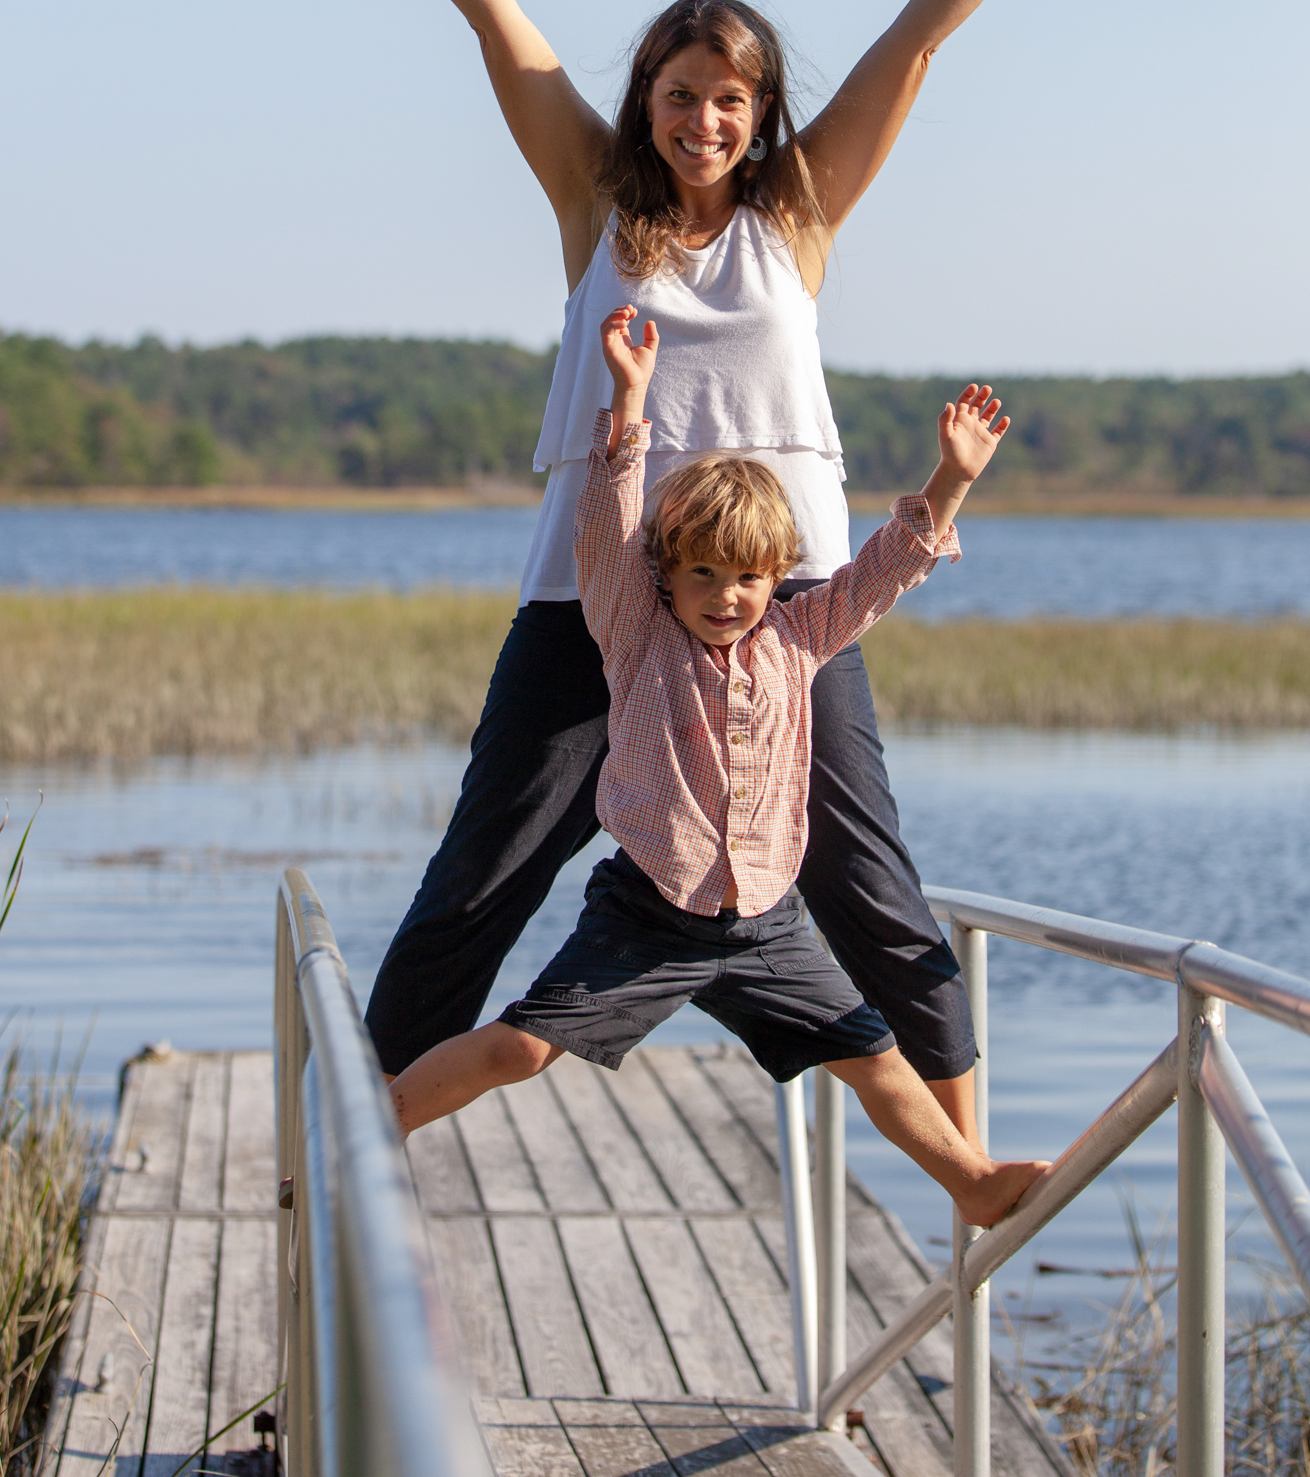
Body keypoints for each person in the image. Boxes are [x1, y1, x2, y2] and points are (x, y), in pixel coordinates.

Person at [338, 0, 1087, 1136]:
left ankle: (972, 1164)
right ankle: (346, 1153)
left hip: (781, 599)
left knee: (865, 872)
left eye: (729, 99)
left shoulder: (792, 217)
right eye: (680, 95)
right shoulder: (595, 208)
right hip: (599, 596)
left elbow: (915, 38)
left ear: (758, 113)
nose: (703, 120)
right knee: (487, 870)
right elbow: (495, 19)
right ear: (648, 102)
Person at [390, 310, 1049, 1228]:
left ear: (776, 573)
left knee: (873, 1059)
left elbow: (887, 568)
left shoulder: (800, 637)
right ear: (665, 576)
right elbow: (606, 525)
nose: (722, 596)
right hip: (648, 917)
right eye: (699, 574)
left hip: (767, 923)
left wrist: (950, 478)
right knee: (520, 1050)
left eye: (743, 578)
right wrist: (628, 398)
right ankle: (376, 1127)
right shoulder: (633, 632)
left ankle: (971, 1184)